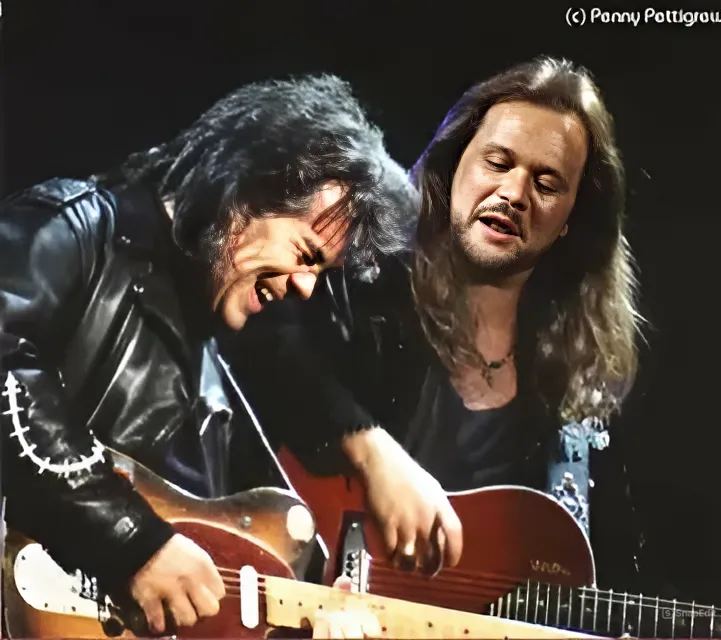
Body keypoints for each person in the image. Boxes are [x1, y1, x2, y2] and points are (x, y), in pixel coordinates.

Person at [0, 73, 417, 636]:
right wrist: (132, 540)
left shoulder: (219, 373)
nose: (306, 288)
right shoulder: (76, 229)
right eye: (306, 254)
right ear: (245, 191)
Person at [237, 56, 648, 594]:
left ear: (573, 217)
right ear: (454, 165)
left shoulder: (578, 392)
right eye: (497, 163)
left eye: (546, 184)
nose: (514, 194)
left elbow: (611, 573)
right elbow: (258, 333)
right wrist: (371, 449)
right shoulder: (363, 279)